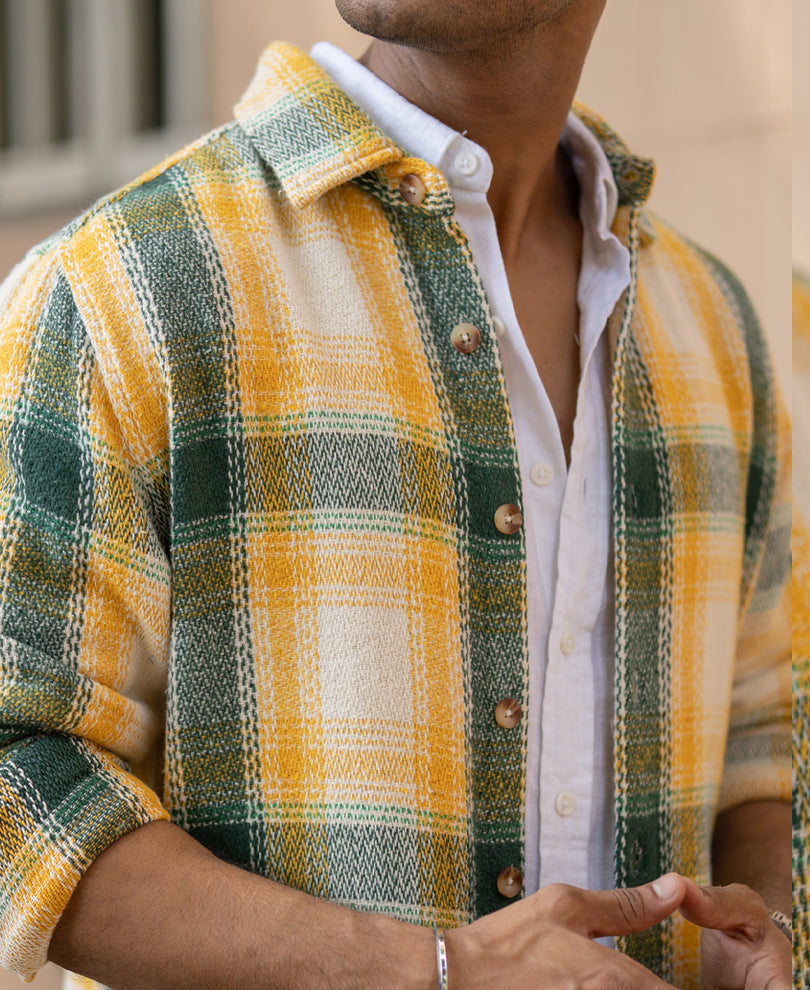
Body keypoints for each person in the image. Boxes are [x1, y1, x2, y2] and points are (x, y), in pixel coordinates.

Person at [0, 1, 794, 987]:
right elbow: (15, 766)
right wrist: (430, 967)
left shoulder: (711, 328)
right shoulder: (125, 288)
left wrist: (773, 930)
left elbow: (765, 741)